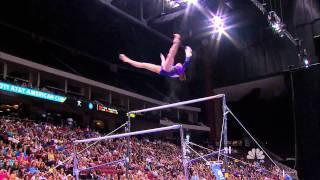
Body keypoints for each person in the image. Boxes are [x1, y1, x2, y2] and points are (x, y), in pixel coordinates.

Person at [119, 34, 192, 80]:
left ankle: (176, 41)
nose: (179, 63)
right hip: (162, 70)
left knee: (170, 56)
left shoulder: (181, 70)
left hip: (165, 70)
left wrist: (188, 52)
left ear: (183, 73)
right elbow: (166, 66)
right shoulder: (178, 71)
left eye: (180, 64)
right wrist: (162, 58)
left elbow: (187, 61)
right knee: (143, 65)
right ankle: (127, 60)